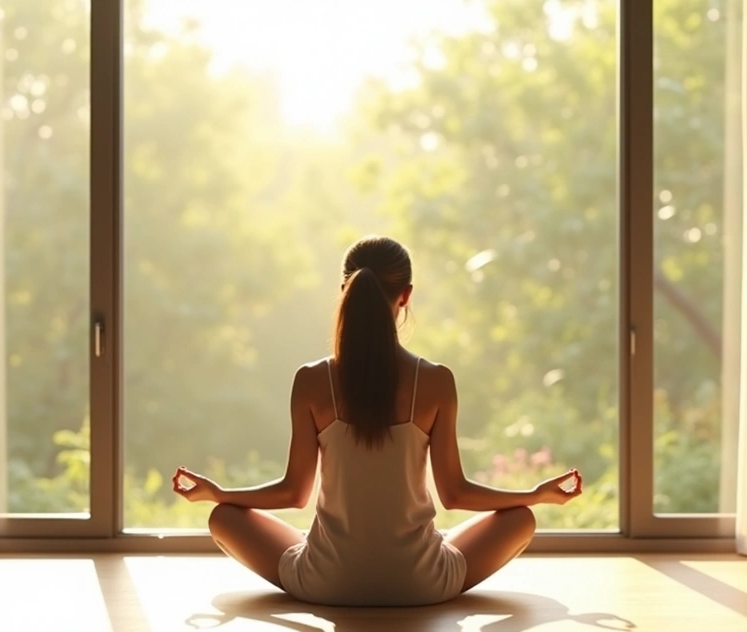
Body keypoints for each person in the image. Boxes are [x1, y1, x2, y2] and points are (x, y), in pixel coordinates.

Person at [172, 235, 583, 607]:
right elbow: (455, 494)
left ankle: (334, 549)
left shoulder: (312, 380)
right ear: (405, 295)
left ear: (344, 291)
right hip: (422, 584)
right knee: (522, 518)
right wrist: (535, 494)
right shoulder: (436, 381)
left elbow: (294, 493)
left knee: (222, 516)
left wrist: (219, 492)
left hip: (325, 582)